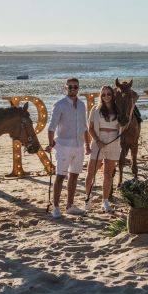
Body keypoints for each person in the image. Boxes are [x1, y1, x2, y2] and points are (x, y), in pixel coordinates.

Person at [45, 78, 90, 219]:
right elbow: (51, 127)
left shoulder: (82, 105)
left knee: (74, 176)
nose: (72, 89)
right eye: (70, 87)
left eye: (75, 87)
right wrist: (50, 143)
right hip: (63, 146)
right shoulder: (59, 105)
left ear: (78, 88)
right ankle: (56, 208)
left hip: (79, 146)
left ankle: (70, 205)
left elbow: (84, 127)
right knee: (60, 176)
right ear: (66, 88)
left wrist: (87, 145)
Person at [83, 85, 122, 213]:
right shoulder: (96, 109)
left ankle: (105, 201)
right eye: (103, 94)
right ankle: (87, 199)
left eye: (108, 94)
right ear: (101, 96)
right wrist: (97, 140)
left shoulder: (118, 110)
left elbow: (123, 125)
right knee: (91, 174)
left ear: (112, 95)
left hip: (113, 143)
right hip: (98, 142)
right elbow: (90, 128)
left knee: (108, 174)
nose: (106, 97)